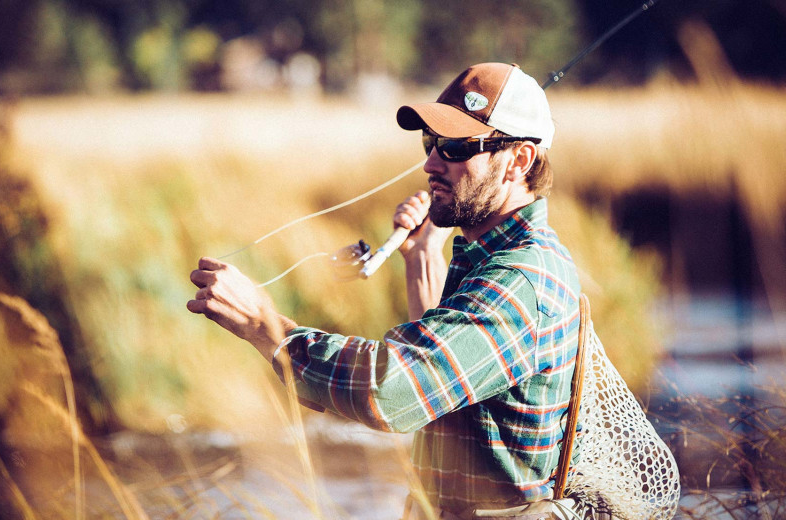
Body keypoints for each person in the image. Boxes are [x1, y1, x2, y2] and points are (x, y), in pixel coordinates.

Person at [188, 62, 583, 520]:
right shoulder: (490, 258)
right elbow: (452, 388)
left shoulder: (519, 279)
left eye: (455, 146)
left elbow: (393, 392)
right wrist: (422, 260)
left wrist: (266, 326)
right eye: (430, 142)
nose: (431, 163)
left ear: (519, 161)